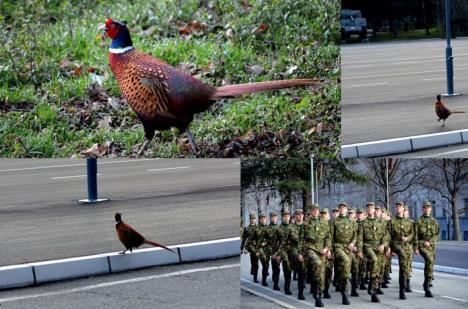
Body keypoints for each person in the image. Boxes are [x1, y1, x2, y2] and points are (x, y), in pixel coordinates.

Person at [357, 202, 387, 303]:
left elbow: (385, 236)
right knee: (374, 260)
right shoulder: (363, 223)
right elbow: (360, 238)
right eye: (368, 208)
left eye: (372, 207)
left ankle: (372, 287)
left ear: (374, 210)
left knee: (378, 269)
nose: (370, 209)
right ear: (367, 210)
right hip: (368, 246)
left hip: (378, 247)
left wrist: (383, 245)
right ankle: (373, 290)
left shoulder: (380, 223)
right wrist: (360, 250)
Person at [330, 202, 358, 305]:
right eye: (340, 208)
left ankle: (353, 288)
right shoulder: (334, 222)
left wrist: (352, 243)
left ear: (346, 209)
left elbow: (355, 236)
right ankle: (345, 293)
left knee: (354, 264)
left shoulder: (352, 222)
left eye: (344, 208)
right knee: (346, 261)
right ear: (338, 210)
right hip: (338, 246)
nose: (342, 209)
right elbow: (331, 237)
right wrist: (330, 250)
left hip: (349, 247)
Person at [303, 204, 331, 307]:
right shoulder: (306, 224)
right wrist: (302, 253)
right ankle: (318, 296)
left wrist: (327, 248)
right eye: (313, 210)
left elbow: (328, 238)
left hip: (322, 250)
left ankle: (317, 291)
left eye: (317, 210)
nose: (315, 212)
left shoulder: (324, 223)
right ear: (311, 212)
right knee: (317, 264)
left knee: (321, 274)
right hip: (310, 248)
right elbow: (302, 239)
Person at [389, 202, 414, 300]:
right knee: (403, 259)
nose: (398, 208)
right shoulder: (392, 221)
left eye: (400, 206)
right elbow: (388, 236)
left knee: (405, 268)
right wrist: (389, 249)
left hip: (406, 245)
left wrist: (408, 238)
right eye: (397, 206)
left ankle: (404, 287)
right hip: (396, 244)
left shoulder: (408, 222)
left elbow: (412, 233)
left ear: (403, 209)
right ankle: (402, 291)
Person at [414, 201, 440, 297]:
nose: (427, 209)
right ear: (422, 209)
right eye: (425, 207)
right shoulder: (419, 221)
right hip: (422, 244)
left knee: (430, 263)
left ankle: (426, 282)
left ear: (431, 209)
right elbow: (415, 235)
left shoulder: (434, 221)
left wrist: (431, 242)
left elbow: (437, 235)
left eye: (428, 207)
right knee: (429, 259)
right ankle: (428, 286)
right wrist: (416, 247)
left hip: (431, 246)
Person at [275, 209, 293, 295]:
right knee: (282, 267)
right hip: (281, 250)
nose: (286, 218)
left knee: (289, 269)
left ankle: (287, 286)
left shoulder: (292, 227)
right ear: (282, 218)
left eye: (288, 216)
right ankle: (281, 285)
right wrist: (276, 254)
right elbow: (275, 242)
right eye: (285, 216)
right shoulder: (279, 228)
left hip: (291, 250)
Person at [241, 213, 259, 283]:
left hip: (257, 246)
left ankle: (255, 277)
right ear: (250, 220)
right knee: (253, 262)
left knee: (256, 262)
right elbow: (244, 239)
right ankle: (253, 271)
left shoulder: (258, 228)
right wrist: (241, 248)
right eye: (252, 219)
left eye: (254, 219)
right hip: (250, 247)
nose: (253, 220)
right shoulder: (247, 228)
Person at [320, 208, 333, 299]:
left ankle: (326, 290)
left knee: (328, 272)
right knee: (320, 272)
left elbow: (333, 238)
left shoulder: (332, 224)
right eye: (322, 213)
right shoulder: (319, 224)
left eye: (325, 213)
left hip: (331, 251)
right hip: (321, 251)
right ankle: (320, 290)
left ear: (328, 214)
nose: (324, 215)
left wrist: (329, 250)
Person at [267, 212, 281, 291]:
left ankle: (276, 282)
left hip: (279, 250)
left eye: (275, 217)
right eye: (272, 217)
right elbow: (266, 241)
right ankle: (275, 283)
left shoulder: (279, 227)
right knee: (275, 267)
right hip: (272, 250)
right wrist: (271, 253)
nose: (274, 218)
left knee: (277, 268)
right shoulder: (267, 228)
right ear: (270, 218)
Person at [355, 208, 367, 291]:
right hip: (355, 247)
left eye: (361, 213)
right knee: (356, 266)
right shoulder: (354, 224)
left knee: (363, 265)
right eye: (358, 213)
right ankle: (356, 282)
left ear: (363, 214)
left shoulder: (365, 224)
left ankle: (362, 282)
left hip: (364, 247)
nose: (359, 215)